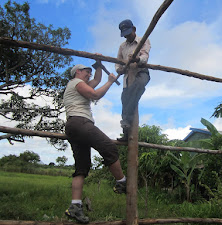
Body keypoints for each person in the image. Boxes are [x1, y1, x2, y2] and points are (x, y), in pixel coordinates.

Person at [63, 63, 126, 224]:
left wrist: (97, 65)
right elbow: (96, 94)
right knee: (109, 148)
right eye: (86, 72)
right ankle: (121, 183)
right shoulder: (76, 83)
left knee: (82, 168)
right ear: (77, 72)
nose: (89, 75)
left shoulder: (79, 84)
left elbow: (97, 79)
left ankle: (75, 206)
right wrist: (111, 81)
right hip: (80, 122)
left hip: (73, 126)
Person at [115, 19, 151, 141]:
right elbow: (118, 62)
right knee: (125, 99)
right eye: (125, 34)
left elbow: (145, 56)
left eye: (129, 33)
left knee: (138, 85)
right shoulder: (122, 47)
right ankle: (126, 133)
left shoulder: (143, 40)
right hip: (127, 76)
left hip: (141, 72)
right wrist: (119, 69)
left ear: (134, 29)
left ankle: (126, 120)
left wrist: (137, 59)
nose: (127, 36)